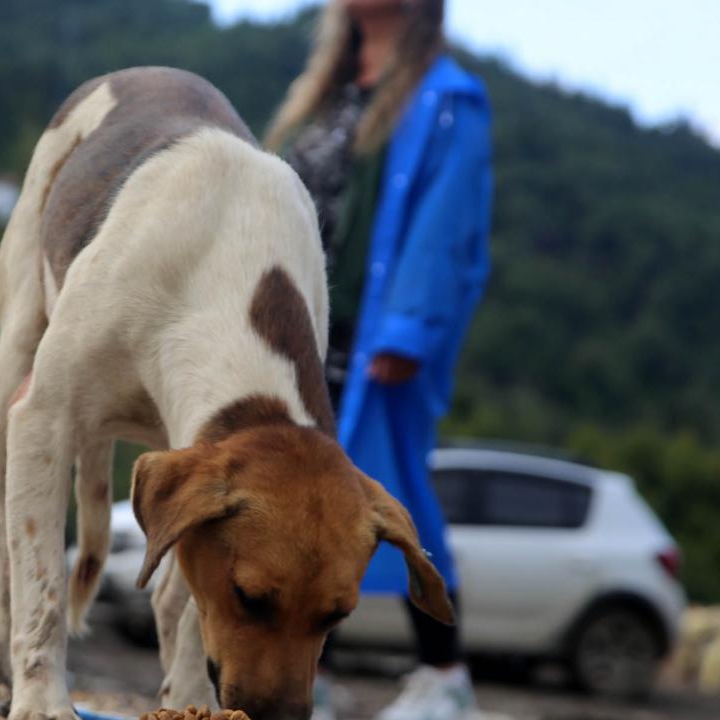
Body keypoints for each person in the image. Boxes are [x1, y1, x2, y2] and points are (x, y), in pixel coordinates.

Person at [267, 1, 492, 718]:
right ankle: (309, 676)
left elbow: (448, 225)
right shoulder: (327, 88)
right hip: (300, 326)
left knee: (390, 493)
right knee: (303, 498)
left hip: (371, 339)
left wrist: (409, 330)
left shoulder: (448, 97)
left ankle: (445, 675)